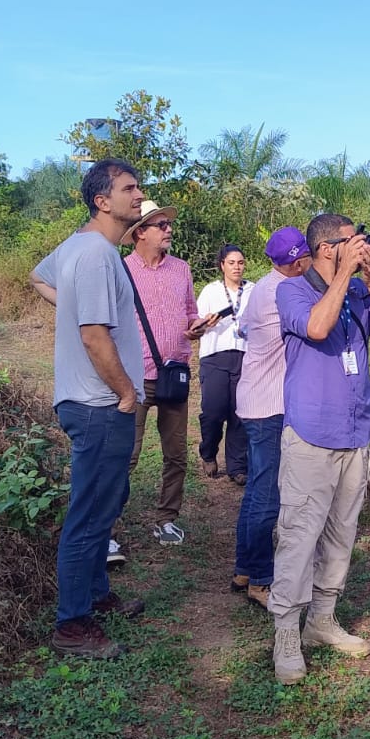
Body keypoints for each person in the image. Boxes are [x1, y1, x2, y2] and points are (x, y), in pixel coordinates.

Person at [269, 212, 370, 685]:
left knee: (342, 533)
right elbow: (316, 328)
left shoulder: (359, 291)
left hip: (355, 433)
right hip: (311, 435)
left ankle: (322, 620)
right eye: (353, 242)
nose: (362, 246)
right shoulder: (292, 290)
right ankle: (286, 631)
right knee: (299, 535)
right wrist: (345, 274)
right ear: (327, 248)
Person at [29, 158, 147, 659]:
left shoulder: (77, 246)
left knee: (104, 507)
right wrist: (126, 393)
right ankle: (72, 625)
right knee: (91, 515)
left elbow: (37, 277)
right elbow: (95, 337)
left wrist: (72, 304)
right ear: (102, 201)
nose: (139, 196)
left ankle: (96, 595)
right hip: (100, 404)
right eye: (129, 188)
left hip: (87, 401)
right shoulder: (97, 253)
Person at [230, 225, 311, 610]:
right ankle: (261, 579)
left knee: (256, 489)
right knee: (267, 495)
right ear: (297, 263)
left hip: (254, 399)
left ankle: (245, 569)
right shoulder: (283, 291)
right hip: (269, 405)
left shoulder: (263, 285)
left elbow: (244, 329)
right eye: (308, 256)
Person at [121, 199, 203, 545]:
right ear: (140, 232)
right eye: (161, 225)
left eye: (169, 225)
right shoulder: (121, 270)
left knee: (176, 455)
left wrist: (197, 326)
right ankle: (108, 528)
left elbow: (190, 311)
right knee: (126, 455)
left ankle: (167, 520)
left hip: (175, 374)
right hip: (135, 378)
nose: (169, 230)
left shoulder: (181, 269)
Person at [196, 244, 252, 486]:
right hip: (215, 355)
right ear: (222, 265)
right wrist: (205, 322)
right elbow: (194, 325)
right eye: (231, 263)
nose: (236, 267)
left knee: (240, 413)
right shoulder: (210, 291)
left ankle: (237, 466)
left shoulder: (253, 290)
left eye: (240, 262)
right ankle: (208, 452)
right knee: (213, 411)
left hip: (245, 356)